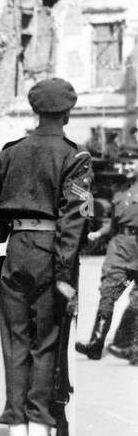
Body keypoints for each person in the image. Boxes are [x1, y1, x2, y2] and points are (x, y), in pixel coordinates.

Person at [0, 77, 92, 436]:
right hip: (51, 255)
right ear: (67, 112)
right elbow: (74, 219)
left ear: (36, 111)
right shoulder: (74, 156)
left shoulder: (10, 152)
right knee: (46, 343)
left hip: (15, 251)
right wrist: (65, 277)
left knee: (15, 345)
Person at [76, 145, 138, 363]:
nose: (127, 167)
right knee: (108, 295)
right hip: (118, 252)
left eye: (132, 163)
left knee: (136, 302)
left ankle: (134, 350)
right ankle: (95, 345)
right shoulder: (118, 190)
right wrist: (98, 234)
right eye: (124, 163)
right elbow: (113, 224)